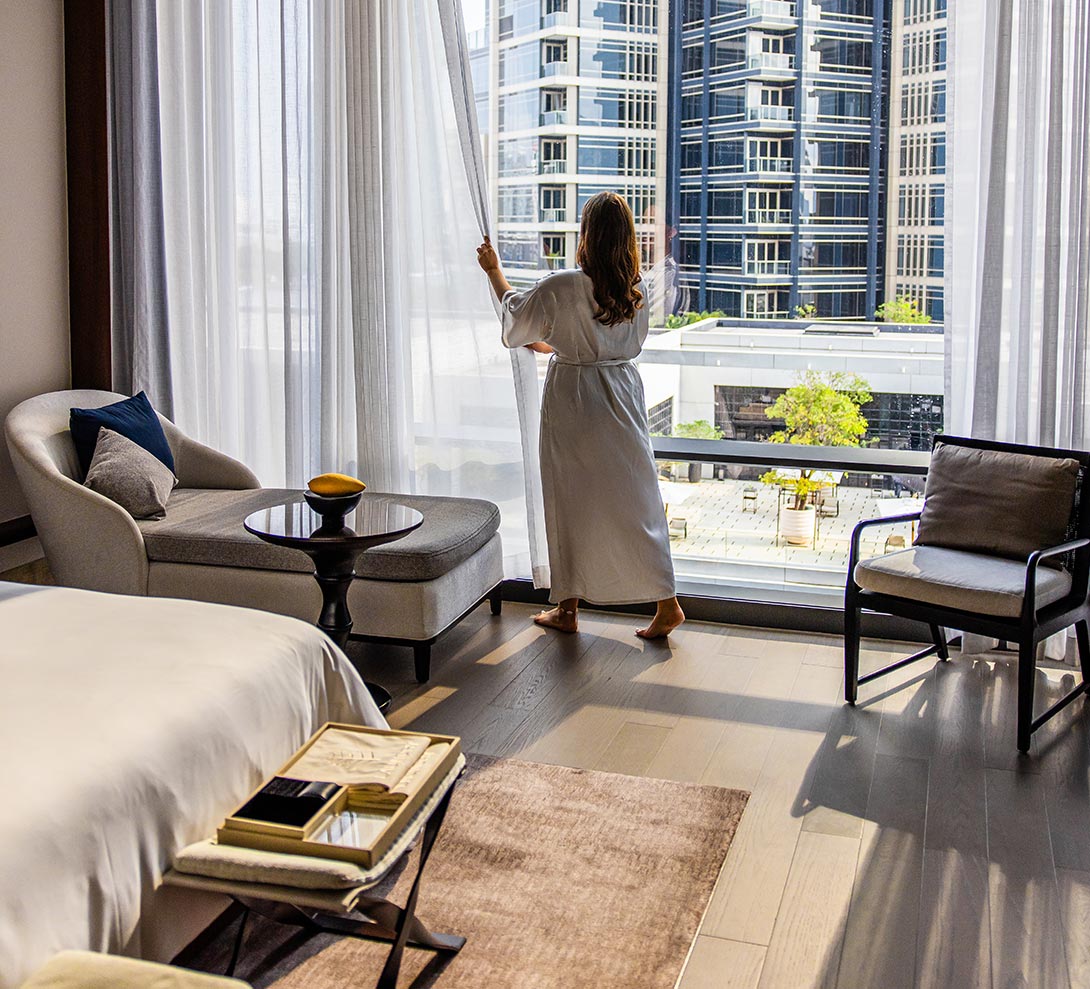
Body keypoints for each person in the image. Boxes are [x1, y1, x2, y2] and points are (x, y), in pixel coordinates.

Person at [476, 191, 684, 639]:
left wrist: (495, 272)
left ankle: (568, 607)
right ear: (627, 238)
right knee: (637, 501)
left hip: (574, 399)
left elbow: (519, 322)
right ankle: (666, 603)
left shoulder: (563, 285)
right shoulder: (637, 290)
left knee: (569, 499)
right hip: (623, 394)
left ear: (586, 235)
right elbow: (598, 338)